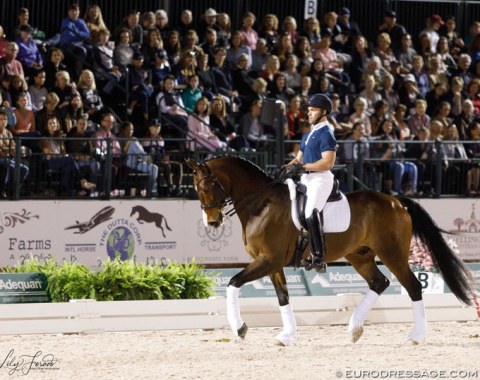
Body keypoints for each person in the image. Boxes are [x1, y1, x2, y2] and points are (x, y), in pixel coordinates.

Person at [284, 94, 336, 273]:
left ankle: (319, 257)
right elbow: (298, 160)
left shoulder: (327, 133)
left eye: (313, 110)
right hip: (306, 178)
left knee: (309, 212)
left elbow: (328, 162)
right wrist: (284, 169)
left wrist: (303, 167)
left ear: (324, 112)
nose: (309, 113)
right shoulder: (307, 135)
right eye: (309, 110)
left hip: (320, 179)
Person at [142, 118, 184, 197]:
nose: (157, 128)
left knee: (178, 165)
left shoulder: (161, 139)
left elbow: (163, 152)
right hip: (152, 161)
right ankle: (170, 188)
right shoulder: (146, 139)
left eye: (158, 127)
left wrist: (165, 157)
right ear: (150, 128)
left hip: (161, 160)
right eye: (155, 127)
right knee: (166, 165)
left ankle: (178, 187)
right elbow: (145, 154)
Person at [119, 121, 158, 197]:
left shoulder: (133, 139)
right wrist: (129, 143)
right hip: (126, 162)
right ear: (123, 130)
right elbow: (122, 151)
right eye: (128, 129)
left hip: (137, 162)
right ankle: (147, 158)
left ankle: (150, 190)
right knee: (134, 143)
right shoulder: (120, 138)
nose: (130, 131)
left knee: (154, 168)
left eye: (132, 130)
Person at [0, 108, 29, 198]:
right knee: (5, 162)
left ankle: (13, 190)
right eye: (0, 119)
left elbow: (14, 149)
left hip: (7, 158)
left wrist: (8, 151)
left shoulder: (8, 133)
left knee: (24, 169)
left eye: (5, 119)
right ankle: (2, 190)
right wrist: (7, 151)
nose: (3, 121)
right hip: (2, 159)